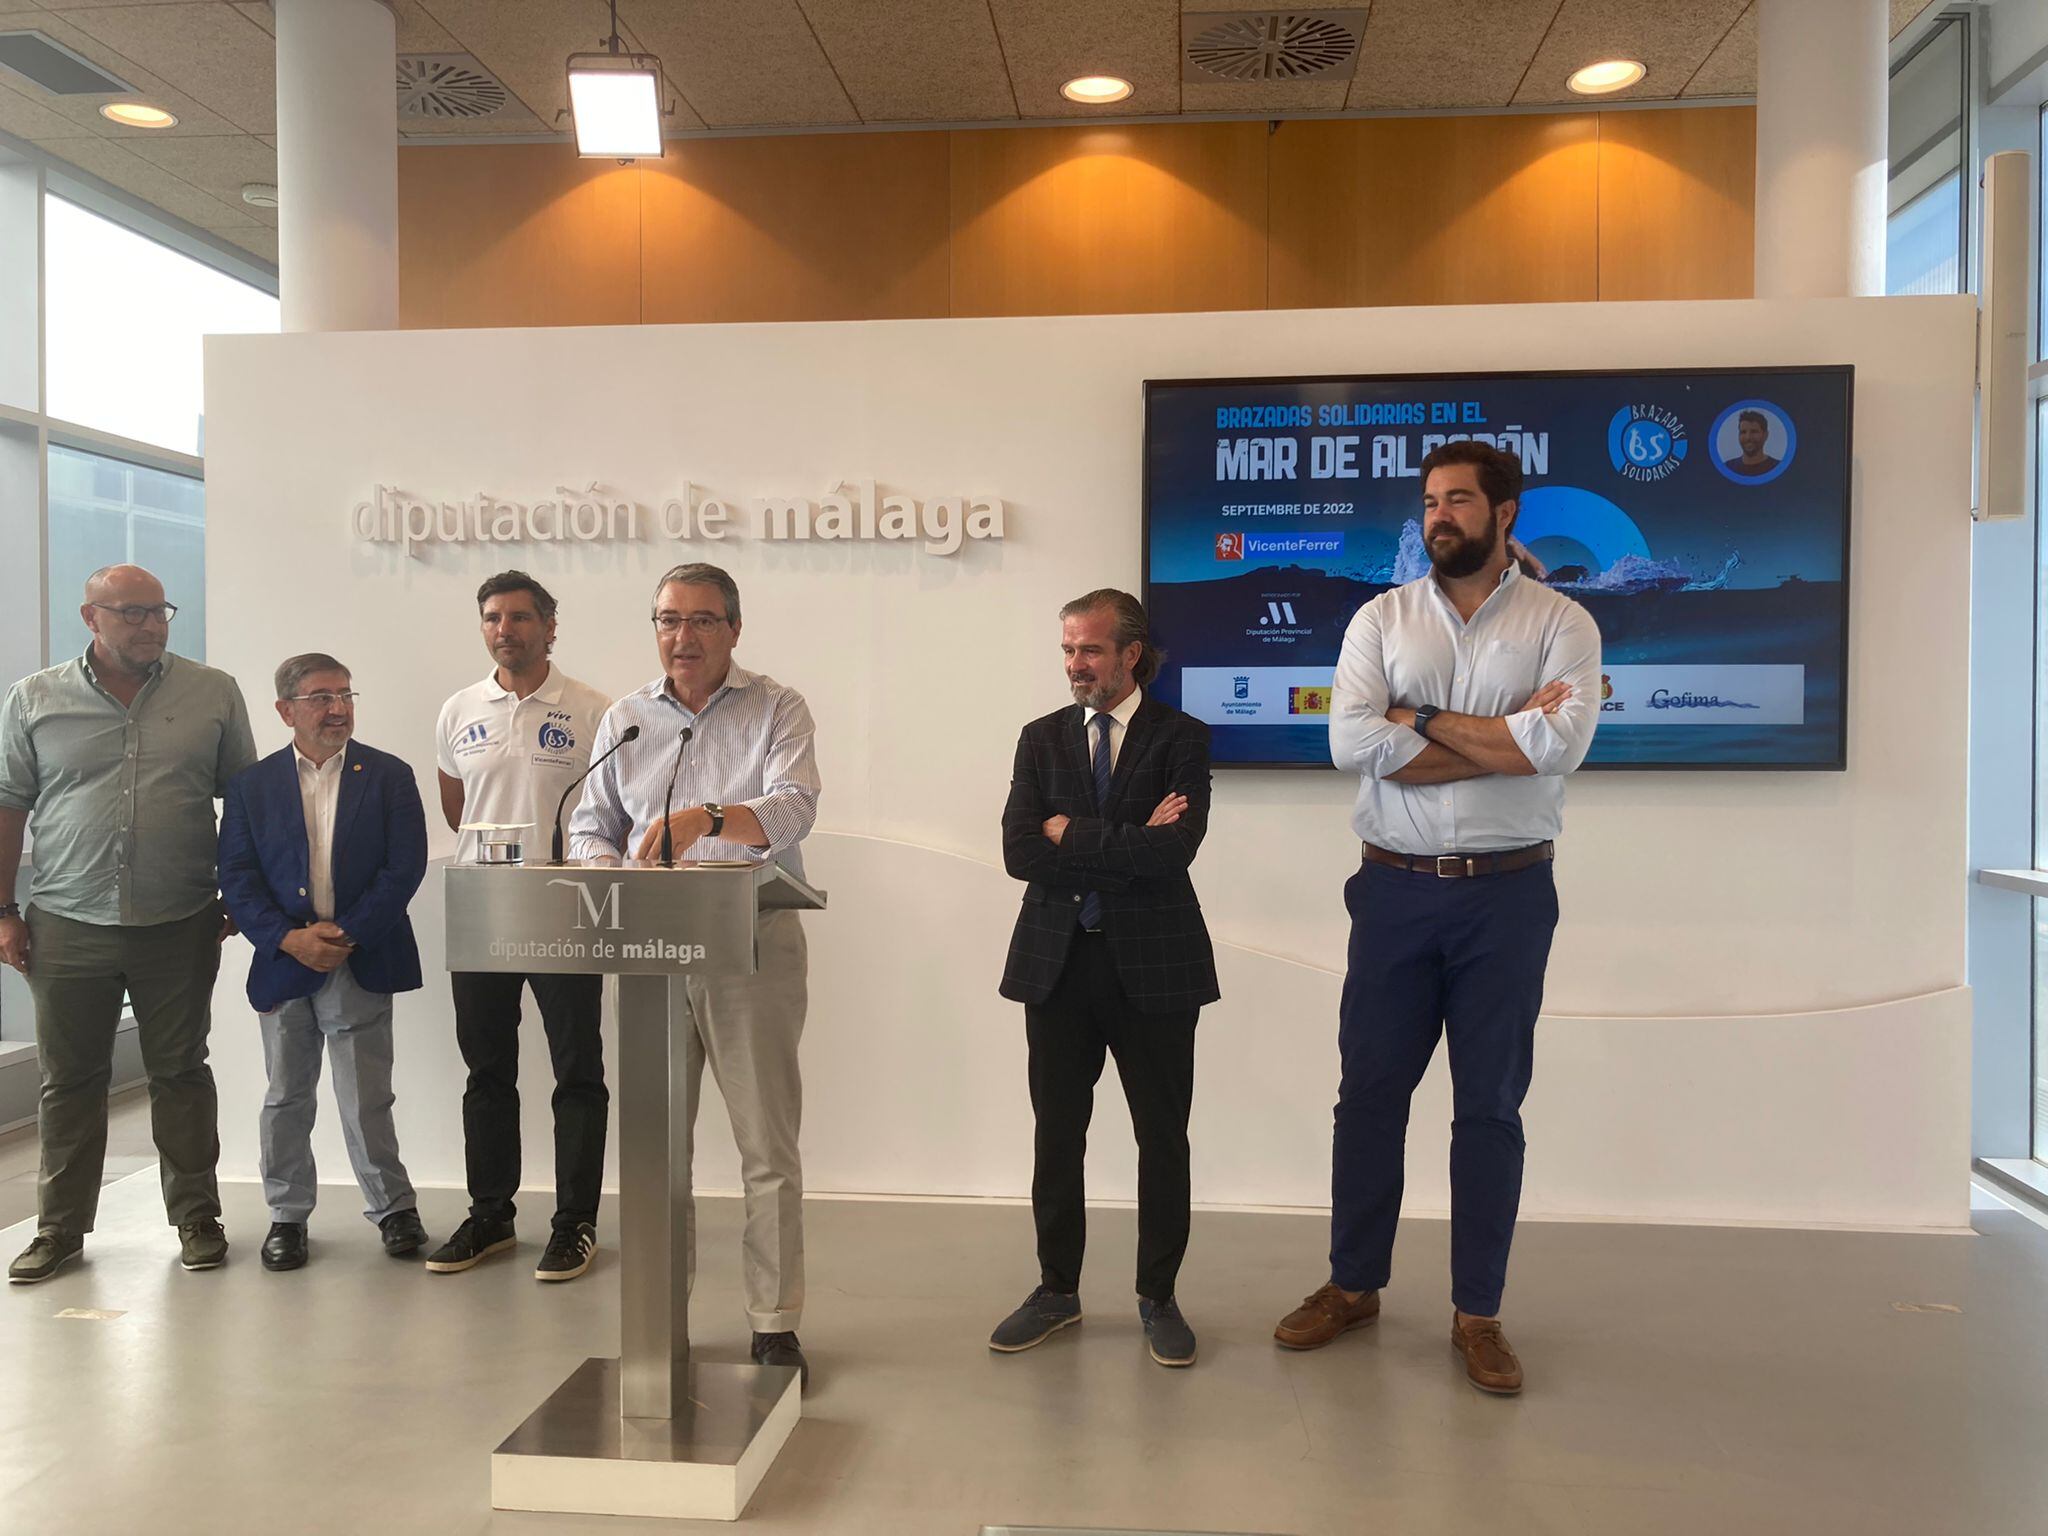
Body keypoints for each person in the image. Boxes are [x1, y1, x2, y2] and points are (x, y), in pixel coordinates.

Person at [1272, 440, 1600, 1394]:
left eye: (1459, 499)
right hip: (1394, 891)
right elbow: (1348, 743)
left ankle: (1478, 1313)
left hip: (1508, 895)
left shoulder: (1562, 622)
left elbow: (1559, 745)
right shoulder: (1382, 617)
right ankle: (1353, 1285)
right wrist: (1501, 737)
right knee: (1368, 1096)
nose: (1439, 516)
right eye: (1429, 502)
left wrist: (1415, 720)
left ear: (1506, 514)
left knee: (1489, 1108)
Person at [569, 562, 820, 1384]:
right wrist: (611, 865)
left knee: (765, 1146)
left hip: (751, 941)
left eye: (703, 621)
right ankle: (658, 1319)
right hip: (650, 953)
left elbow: (791, 809)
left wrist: (709, 817)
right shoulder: (627, 717)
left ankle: (773, 1323)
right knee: (654, 1151)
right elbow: (588, 825)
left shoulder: (777, 706)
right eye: (669, 621)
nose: (684, 637)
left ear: (734, 629)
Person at [0, 565, 257, 1282]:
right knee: (69, 1079)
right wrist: (2, 912)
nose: (151, 625)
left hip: (179, 917)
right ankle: (59, 1231)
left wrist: (240, 891)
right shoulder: (35, 698)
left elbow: (246, 801)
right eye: (133, 613)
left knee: (180, 1072)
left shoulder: (213, 692)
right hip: (66, 920)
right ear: (92, 617)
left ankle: (197, 1219)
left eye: (160, 611)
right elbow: (8, 807)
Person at [990, 589, 1218, 1368]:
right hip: (1057, 963)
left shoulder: (1182, 736)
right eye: (1066, 650)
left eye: (1089, 650)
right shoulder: (1040, 738)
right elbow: (1022, 852)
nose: (1075, 665)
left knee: (1163, 1137)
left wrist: (1074, 834)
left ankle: (1159, 1297)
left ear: (1131, 652)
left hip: (1156, 968)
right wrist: (1123, 839)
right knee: (1057, 1136)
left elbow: (1174, 851)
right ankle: (1057, 1289)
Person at [427, 572, 613, 1282]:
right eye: (493, 618)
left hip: (563, 902)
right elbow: (455, 807)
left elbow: (609, 809)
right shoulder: (458, 709)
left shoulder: (592, 708)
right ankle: (490, 1215)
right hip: (482, 904)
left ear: (550, 626)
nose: (506, 629)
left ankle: (575, 1224)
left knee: (576, 1070)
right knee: (486, 1071)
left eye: (521, 617)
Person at [217, 654, 429, 1272]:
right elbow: (236, 876)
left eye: (344, 695)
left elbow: (404, 867)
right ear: (286, 710)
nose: (337, 708)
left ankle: (393, 1209)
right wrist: (288, 940)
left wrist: (346, 933)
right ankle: (286, 1218)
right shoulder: (252, 787)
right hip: (285, 964)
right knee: (286, 1096)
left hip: (359, 956)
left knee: (367, 1096)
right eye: (320, 697)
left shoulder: (388, 775)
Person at [1723, 408, 1781, 477]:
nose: (1748, 437)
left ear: (1765, 435)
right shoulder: (1727, 468)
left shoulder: (1777, 467)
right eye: (1743, 432)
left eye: (1754, 432)